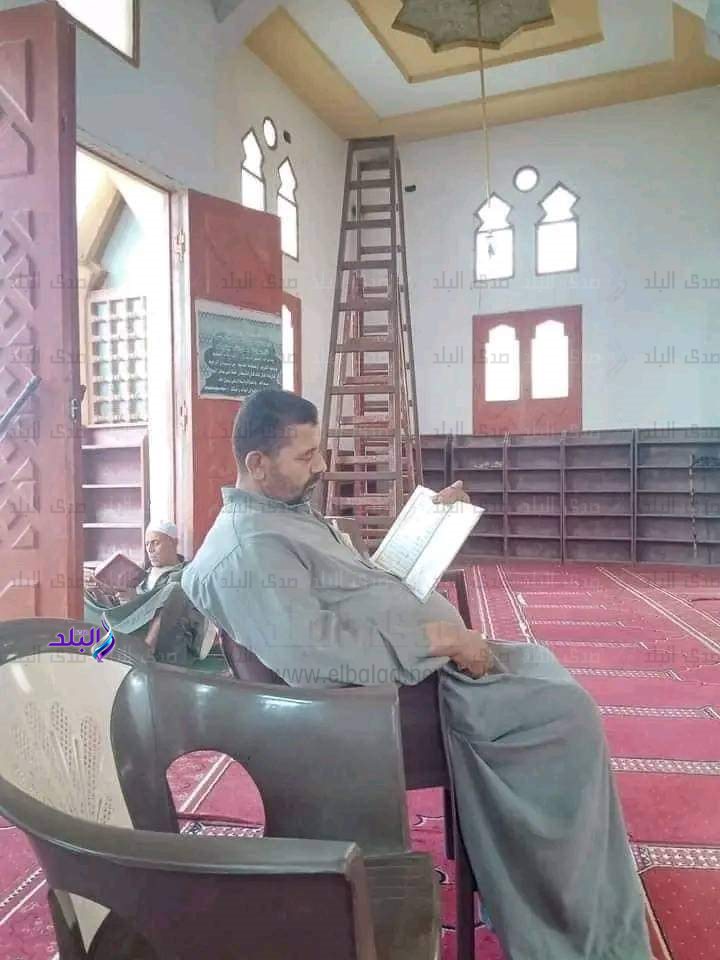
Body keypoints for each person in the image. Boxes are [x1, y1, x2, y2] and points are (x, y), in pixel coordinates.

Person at [182, 389, 652, 960]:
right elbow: (316, 658)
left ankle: (555, 886)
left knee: (545, 673)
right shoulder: (246, 552)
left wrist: (427, 525)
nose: (321, 465)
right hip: (397, 707)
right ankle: (566, 913)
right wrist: (446, 639)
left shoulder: (278, 515)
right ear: (257, 463)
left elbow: (354, 591)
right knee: (566, 713)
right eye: (306, 456)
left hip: (420, 672)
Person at [85, 521, 206, 666]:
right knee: (85, 594)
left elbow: (191, 610)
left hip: (159, 636)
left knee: (174, 590)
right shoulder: (139, 574)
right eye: (147, 544)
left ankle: (144, 652)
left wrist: (136, 599)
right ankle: (94, 643)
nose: (150, 549)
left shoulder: (187, 573)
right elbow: (115, 612)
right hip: (129, 625)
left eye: (155, 543)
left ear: (174, 542)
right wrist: (98, 591)